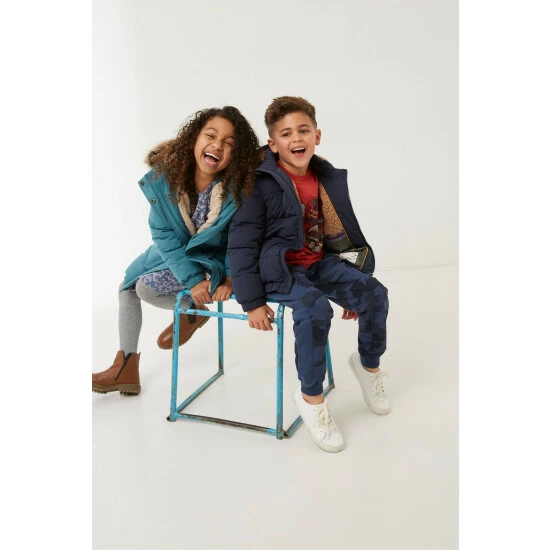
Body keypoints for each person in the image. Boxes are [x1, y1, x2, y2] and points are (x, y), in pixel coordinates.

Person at [228, 96, 390, 453]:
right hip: (279, 271)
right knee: (316, 309)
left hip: (318, 262)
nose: (296, 138)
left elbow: (340, 229)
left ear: (317, 135)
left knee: (375, 294)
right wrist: (251, 301)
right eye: (286, 133)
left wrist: (353, 284)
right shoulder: (260, 183)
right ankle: (311, 399)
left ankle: (369, 367)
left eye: (303, 130)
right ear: (273, 144)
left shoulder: (325, 175)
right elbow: (241, 244)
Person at [93, 106, 260, 396]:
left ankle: (191, 311)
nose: (217, 146)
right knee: (127, 286)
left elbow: (240, 238)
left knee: (146, 289)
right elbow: (163, 234)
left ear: (237, 155)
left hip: (213, 259)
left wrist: (227, 277)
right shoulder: (168, 180)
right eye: (210, 136)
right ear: (194, 139)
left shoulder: (236, 190)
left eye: (229, 144)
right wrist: (191, 280)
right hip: (180, 251)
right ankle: (126, 366)